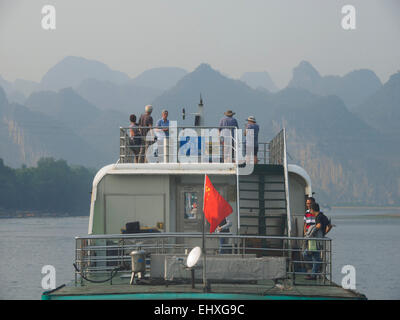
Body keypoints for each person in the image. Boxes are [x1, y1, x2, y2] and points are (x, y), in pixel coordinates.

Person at [303, 203, 332, 280]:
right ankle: (314, 272)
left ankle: (313, 273)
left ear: (312, 210)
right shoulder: (324, 216)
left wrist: (312, 232)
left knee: (306, 254)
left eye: (310, 210)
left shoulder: (318, 217)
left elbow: (318, 225)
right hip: (320, 240)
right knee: (316, 257)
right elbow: (330, 226)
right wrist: (324, 233)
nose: (310, 212)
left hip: (315, 242)